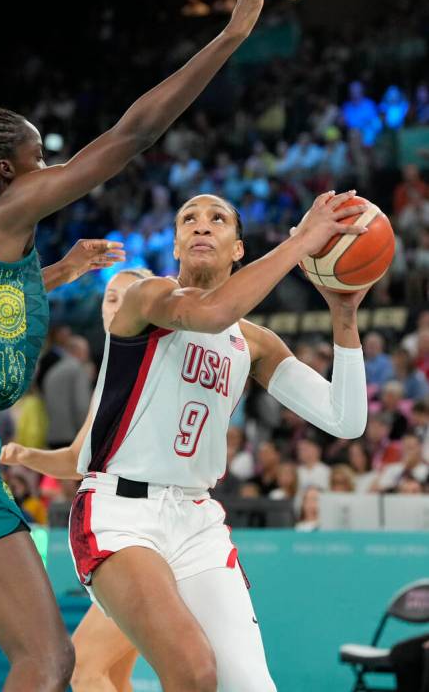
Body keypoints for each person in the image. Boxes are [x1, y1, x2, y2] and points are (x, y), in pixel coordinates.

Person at [0, 0, 266, 692]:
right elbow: (130, 137)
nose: (49, 171)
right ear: (7, 172)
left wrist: (60, 271)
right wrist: (227, 37)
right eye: (41, 160)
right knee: (48, 657)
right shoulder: (7, 208)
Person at [70, 189, 369, 692]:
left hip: (196, 521)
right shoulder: (149, 299)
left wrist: (344, 314)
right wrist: (302, 243)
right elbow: (210, 311)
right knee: (192, 672)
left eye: (217, 219)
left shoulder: (252, 343)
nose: (201, 225)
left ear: (238, 249)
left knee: (252, 687)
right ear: (176, 246)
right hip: (120, 513)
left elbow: (346, 420)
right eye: (189, 219)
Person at [1, 268, 153, 692]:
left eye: (129, 296)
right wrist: (26, 455)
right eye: (110, 298)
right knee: (114, 674)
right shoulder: (111, 374)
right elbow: (78, 459)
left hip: (142, 537)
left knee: (85, 668)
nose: (117, 305)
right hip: (118, 538)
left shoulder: (153, 364)